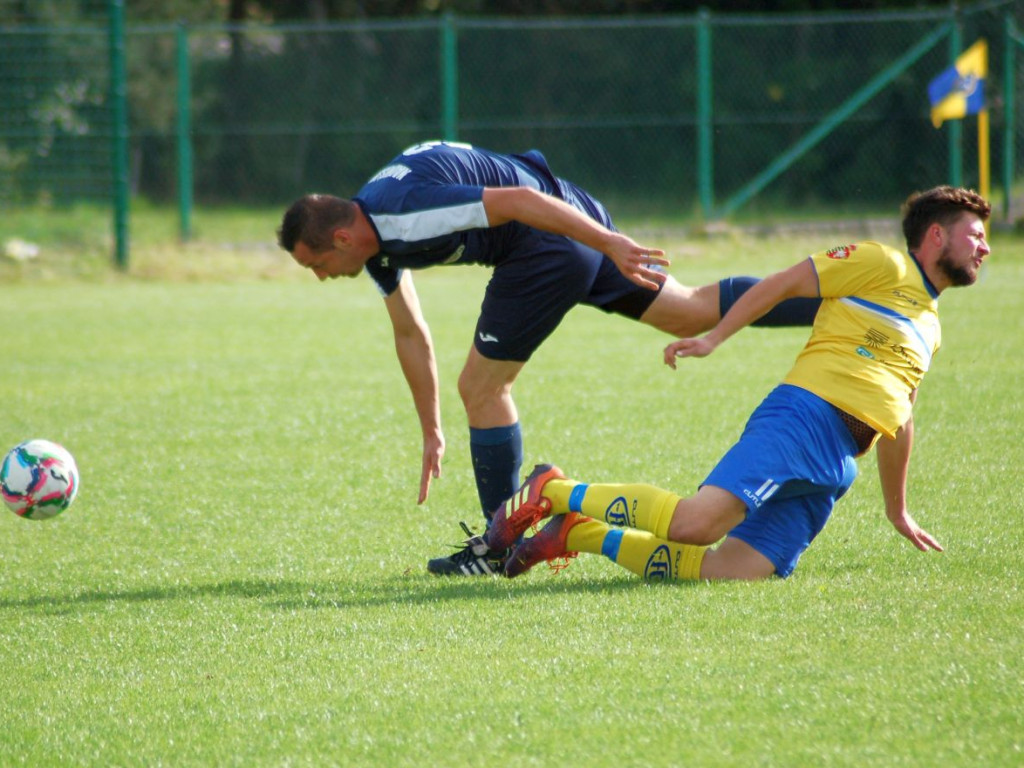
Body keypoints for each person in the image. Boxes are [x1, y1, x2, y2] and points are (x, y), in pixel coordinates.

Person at [276, 140, 819, 576]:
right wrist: (430, 429)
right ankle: (831, 299)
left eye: (316, 264)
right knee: (688, 310)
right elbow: (410, 334)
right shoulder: (376, 240)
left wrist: (607, 242)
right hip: (566, 213)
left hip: (546, 237)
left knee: (484, 389)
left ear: (342, 238)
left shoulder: (402, 214)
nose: (321, 277)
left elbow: (513, 201)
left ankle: (497, 545)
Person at [477, 185, 990, 581]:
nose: (984, 248)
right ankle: (553, 489)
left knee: (734, 572)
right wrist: (713, 337)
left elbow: (900, 416)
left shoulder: (931, 325)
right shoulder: (883, 263)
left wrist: (897, 509)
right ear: (937, 235)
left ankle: (577, 533)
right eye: (976, 235)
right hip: (805, 418)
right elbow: (780, 284)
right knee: (696, 525)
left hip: (837, 463)